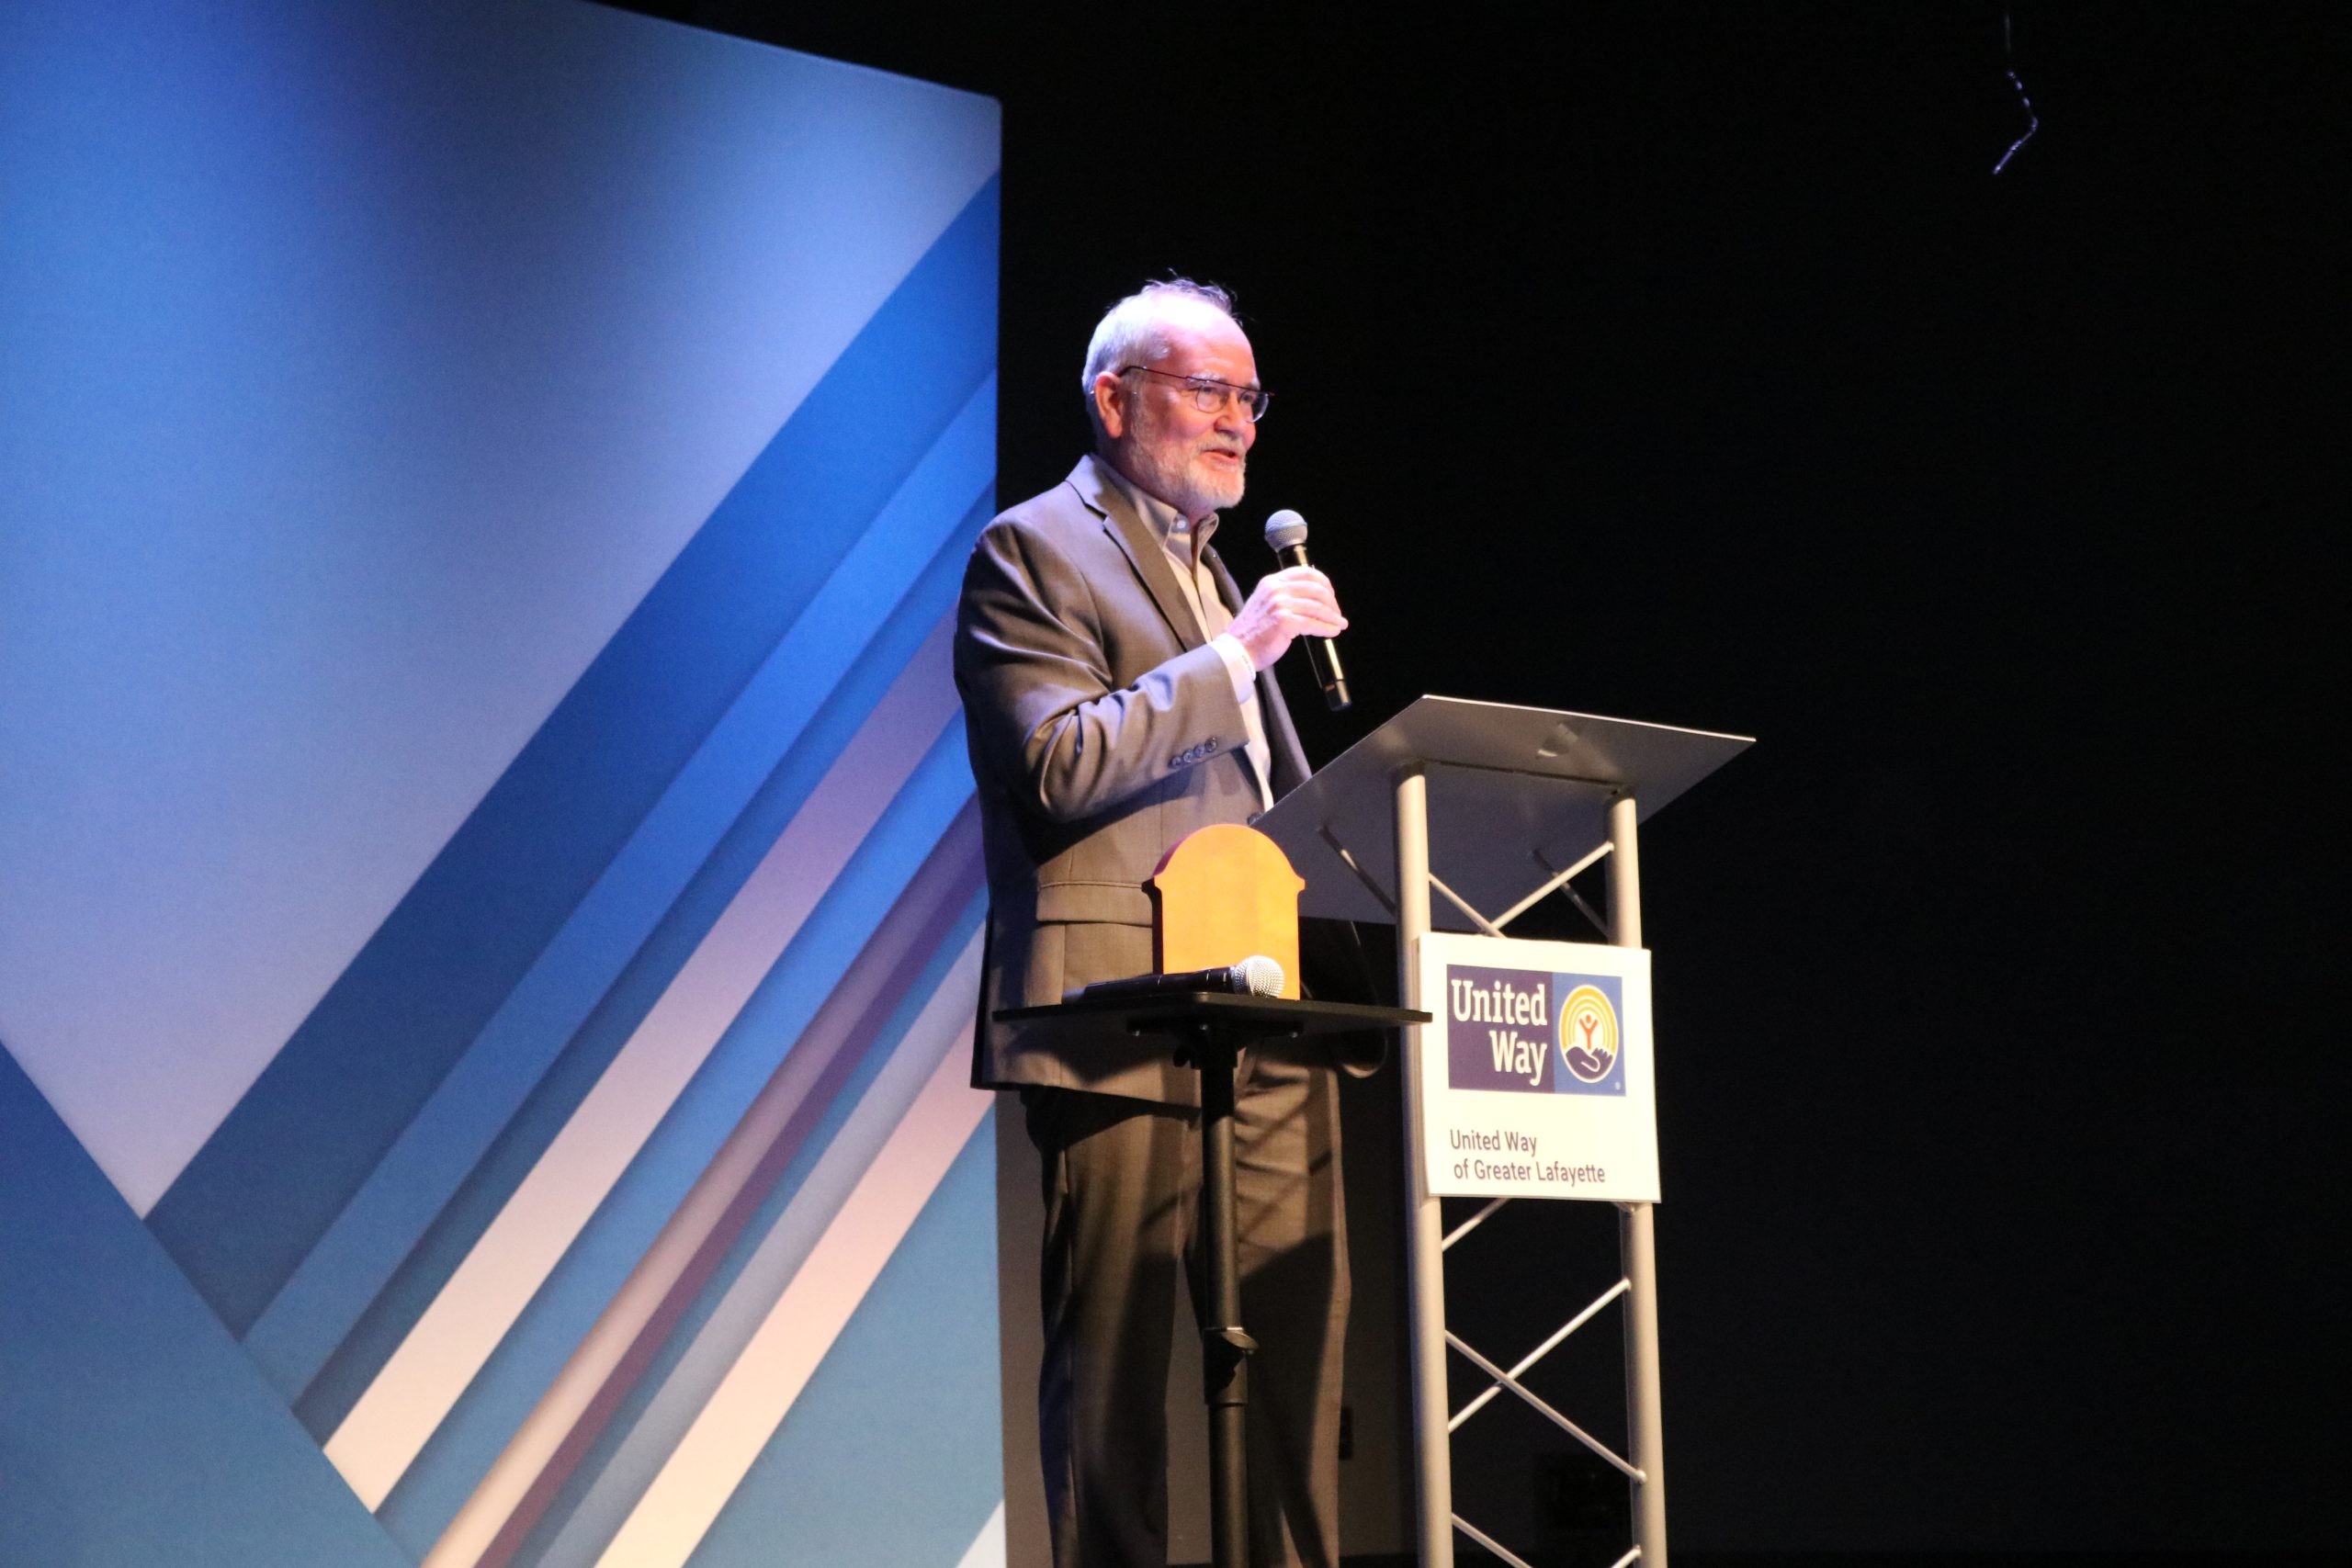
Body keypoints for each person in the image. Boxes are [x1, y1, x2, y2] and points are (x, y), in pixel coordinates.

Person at [955, 279, 1357, 1568]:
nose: (1238, 420)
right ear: (1115, 399)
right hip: (1119, 1010)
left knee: (1295, 1359)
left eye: (1250, 396)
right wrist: (1235, 658)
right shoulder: (1031, 550)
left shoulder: (1218, 569)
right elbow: (1058, 765)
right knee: (1114, 1378)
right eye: (1207, 390)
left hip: (1270, 1009)